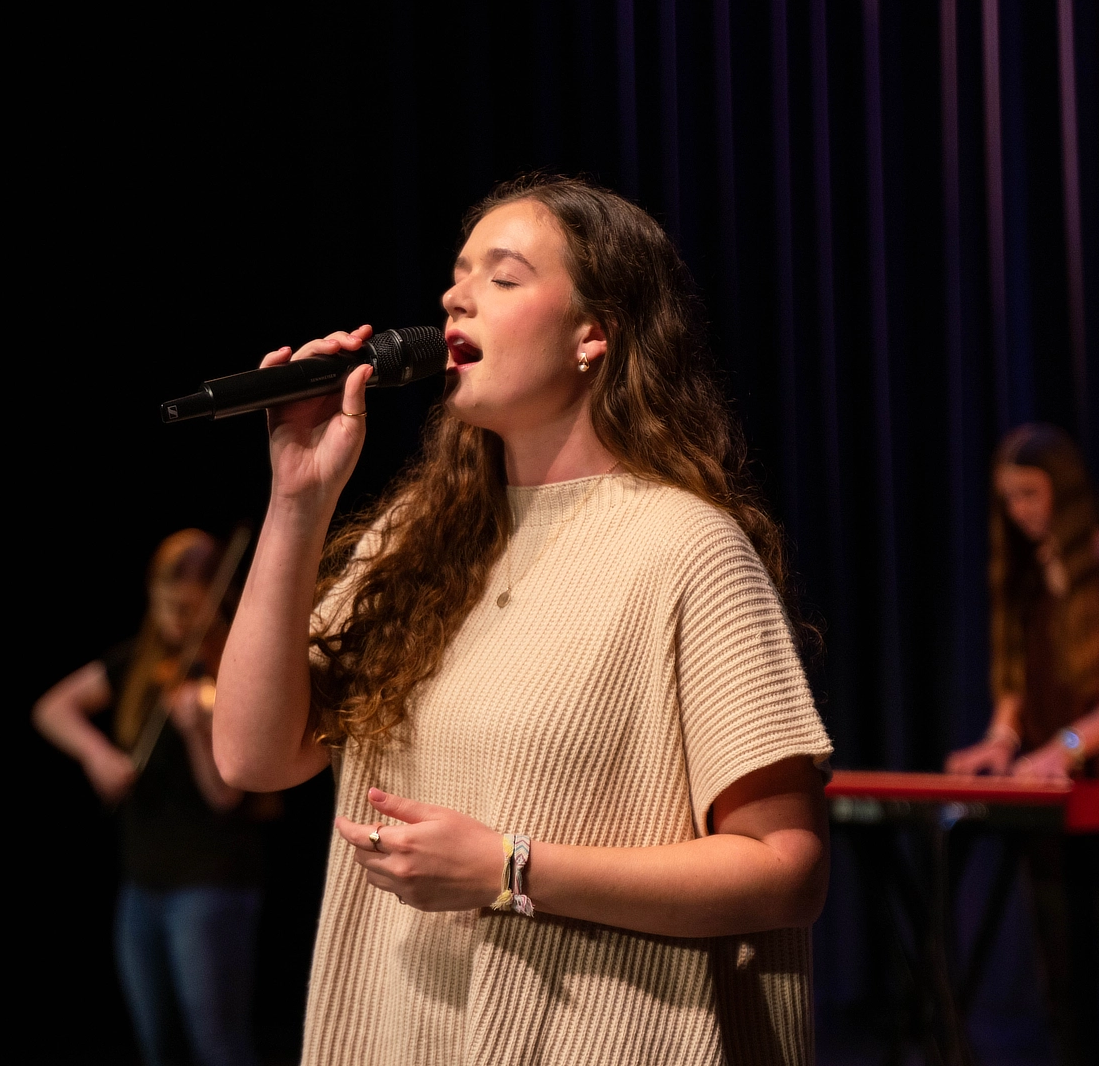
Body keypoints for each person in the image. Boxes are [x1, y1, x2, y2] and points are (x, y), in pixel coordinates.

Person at [213, 175, 835, 1065]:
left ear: (596, 333)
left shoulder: (685, 549)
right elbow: (252, 755)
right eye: (458, 276)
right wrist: (297, 500)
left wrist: (512, 869)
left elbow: (786, 867)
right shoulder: (417, 541)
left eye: (502, 278)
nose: (453, 297)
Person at [946, 422, 1099, 1066]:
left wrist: (1064, 746)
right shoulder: (1025, 582)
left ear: (1065, 493)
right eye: (1010, 498)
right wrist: (999, 741)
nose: (1021, 511)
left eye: (1032, 494)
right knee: (1061, 977)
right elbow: (1016, 689)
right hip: (1052, 803)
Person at [33, 530, 264, 1066]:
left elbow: (226, 795)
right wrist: (98, 755)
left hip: (211, 883)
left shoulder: (230, 669)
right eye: (166, 601)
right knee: (158, 1049)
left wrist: (198, 734)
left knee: (218, 1046)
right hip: (142, 884)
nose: (176, 618)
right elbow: (52, 708)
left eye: (188, 605)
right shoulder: (135, 664)